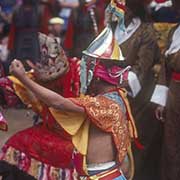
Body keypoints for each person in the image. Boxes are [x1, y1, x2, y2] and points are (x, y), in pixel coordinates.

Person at [0, 2, 138, 178]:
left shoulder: (105, 105)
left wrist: (23, 78)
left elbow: (58, 102)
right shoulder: (117, 96)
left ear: (94, 76)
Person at [0, 33, 81, 180]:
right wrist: (19, 78)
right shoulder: (36, 77)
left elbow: (59, 103)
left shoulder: (80, 72)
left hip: (78, 135)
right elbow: (14, 85)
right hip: (49, 128)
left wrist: (23, 78)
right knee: (15, 143)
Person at [111, 0, 161, 179]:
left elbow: (142, 67)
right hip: (111, 90)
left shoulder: (146, 31)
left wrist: (119, 84)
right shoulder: (111, 28)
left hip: (138, 94)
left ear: (133, 8)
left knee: (132, 140)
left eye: (124, 7)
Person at [151, 0, 180, 179]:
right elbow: (164, 69)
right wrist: (161, 102)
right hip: (174, 93)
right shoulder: (174, 32)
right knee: (171, 145)